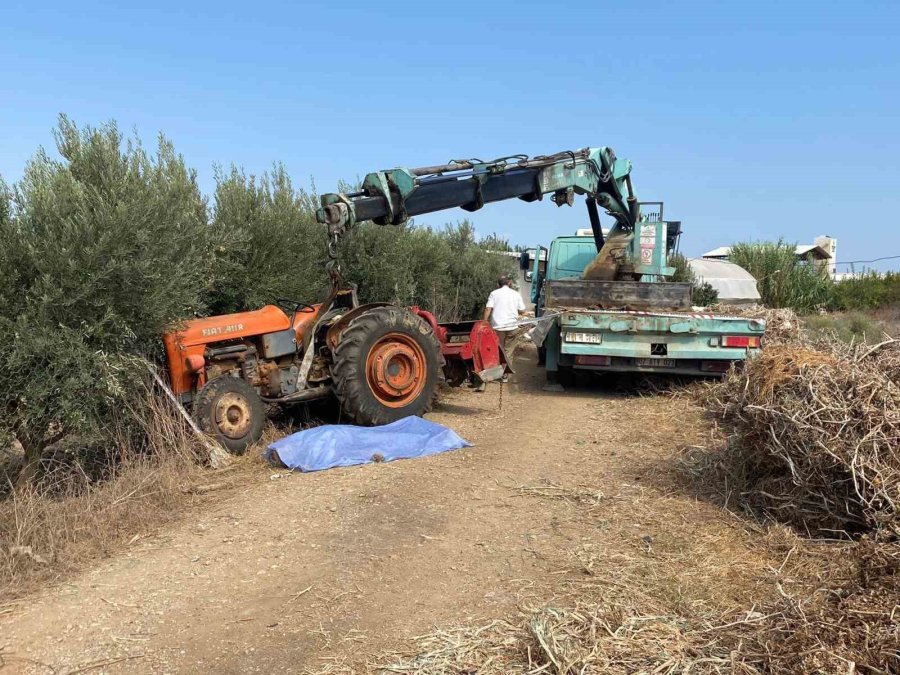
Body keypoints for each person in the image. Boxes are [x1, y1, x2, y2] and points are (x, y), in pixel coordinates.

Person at [483, 275, 526, 383]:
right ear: (510, 283)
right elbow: (522, 310)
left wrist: (484, 322)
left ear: (498, 284)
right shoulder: (516, 294)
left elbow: (488, 308)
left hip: (497, 327)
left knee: (498, 349)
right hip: (512, 326)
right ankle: (505, 375)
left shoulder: (494, 293)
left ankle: (494, 373)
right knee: (508, 351)